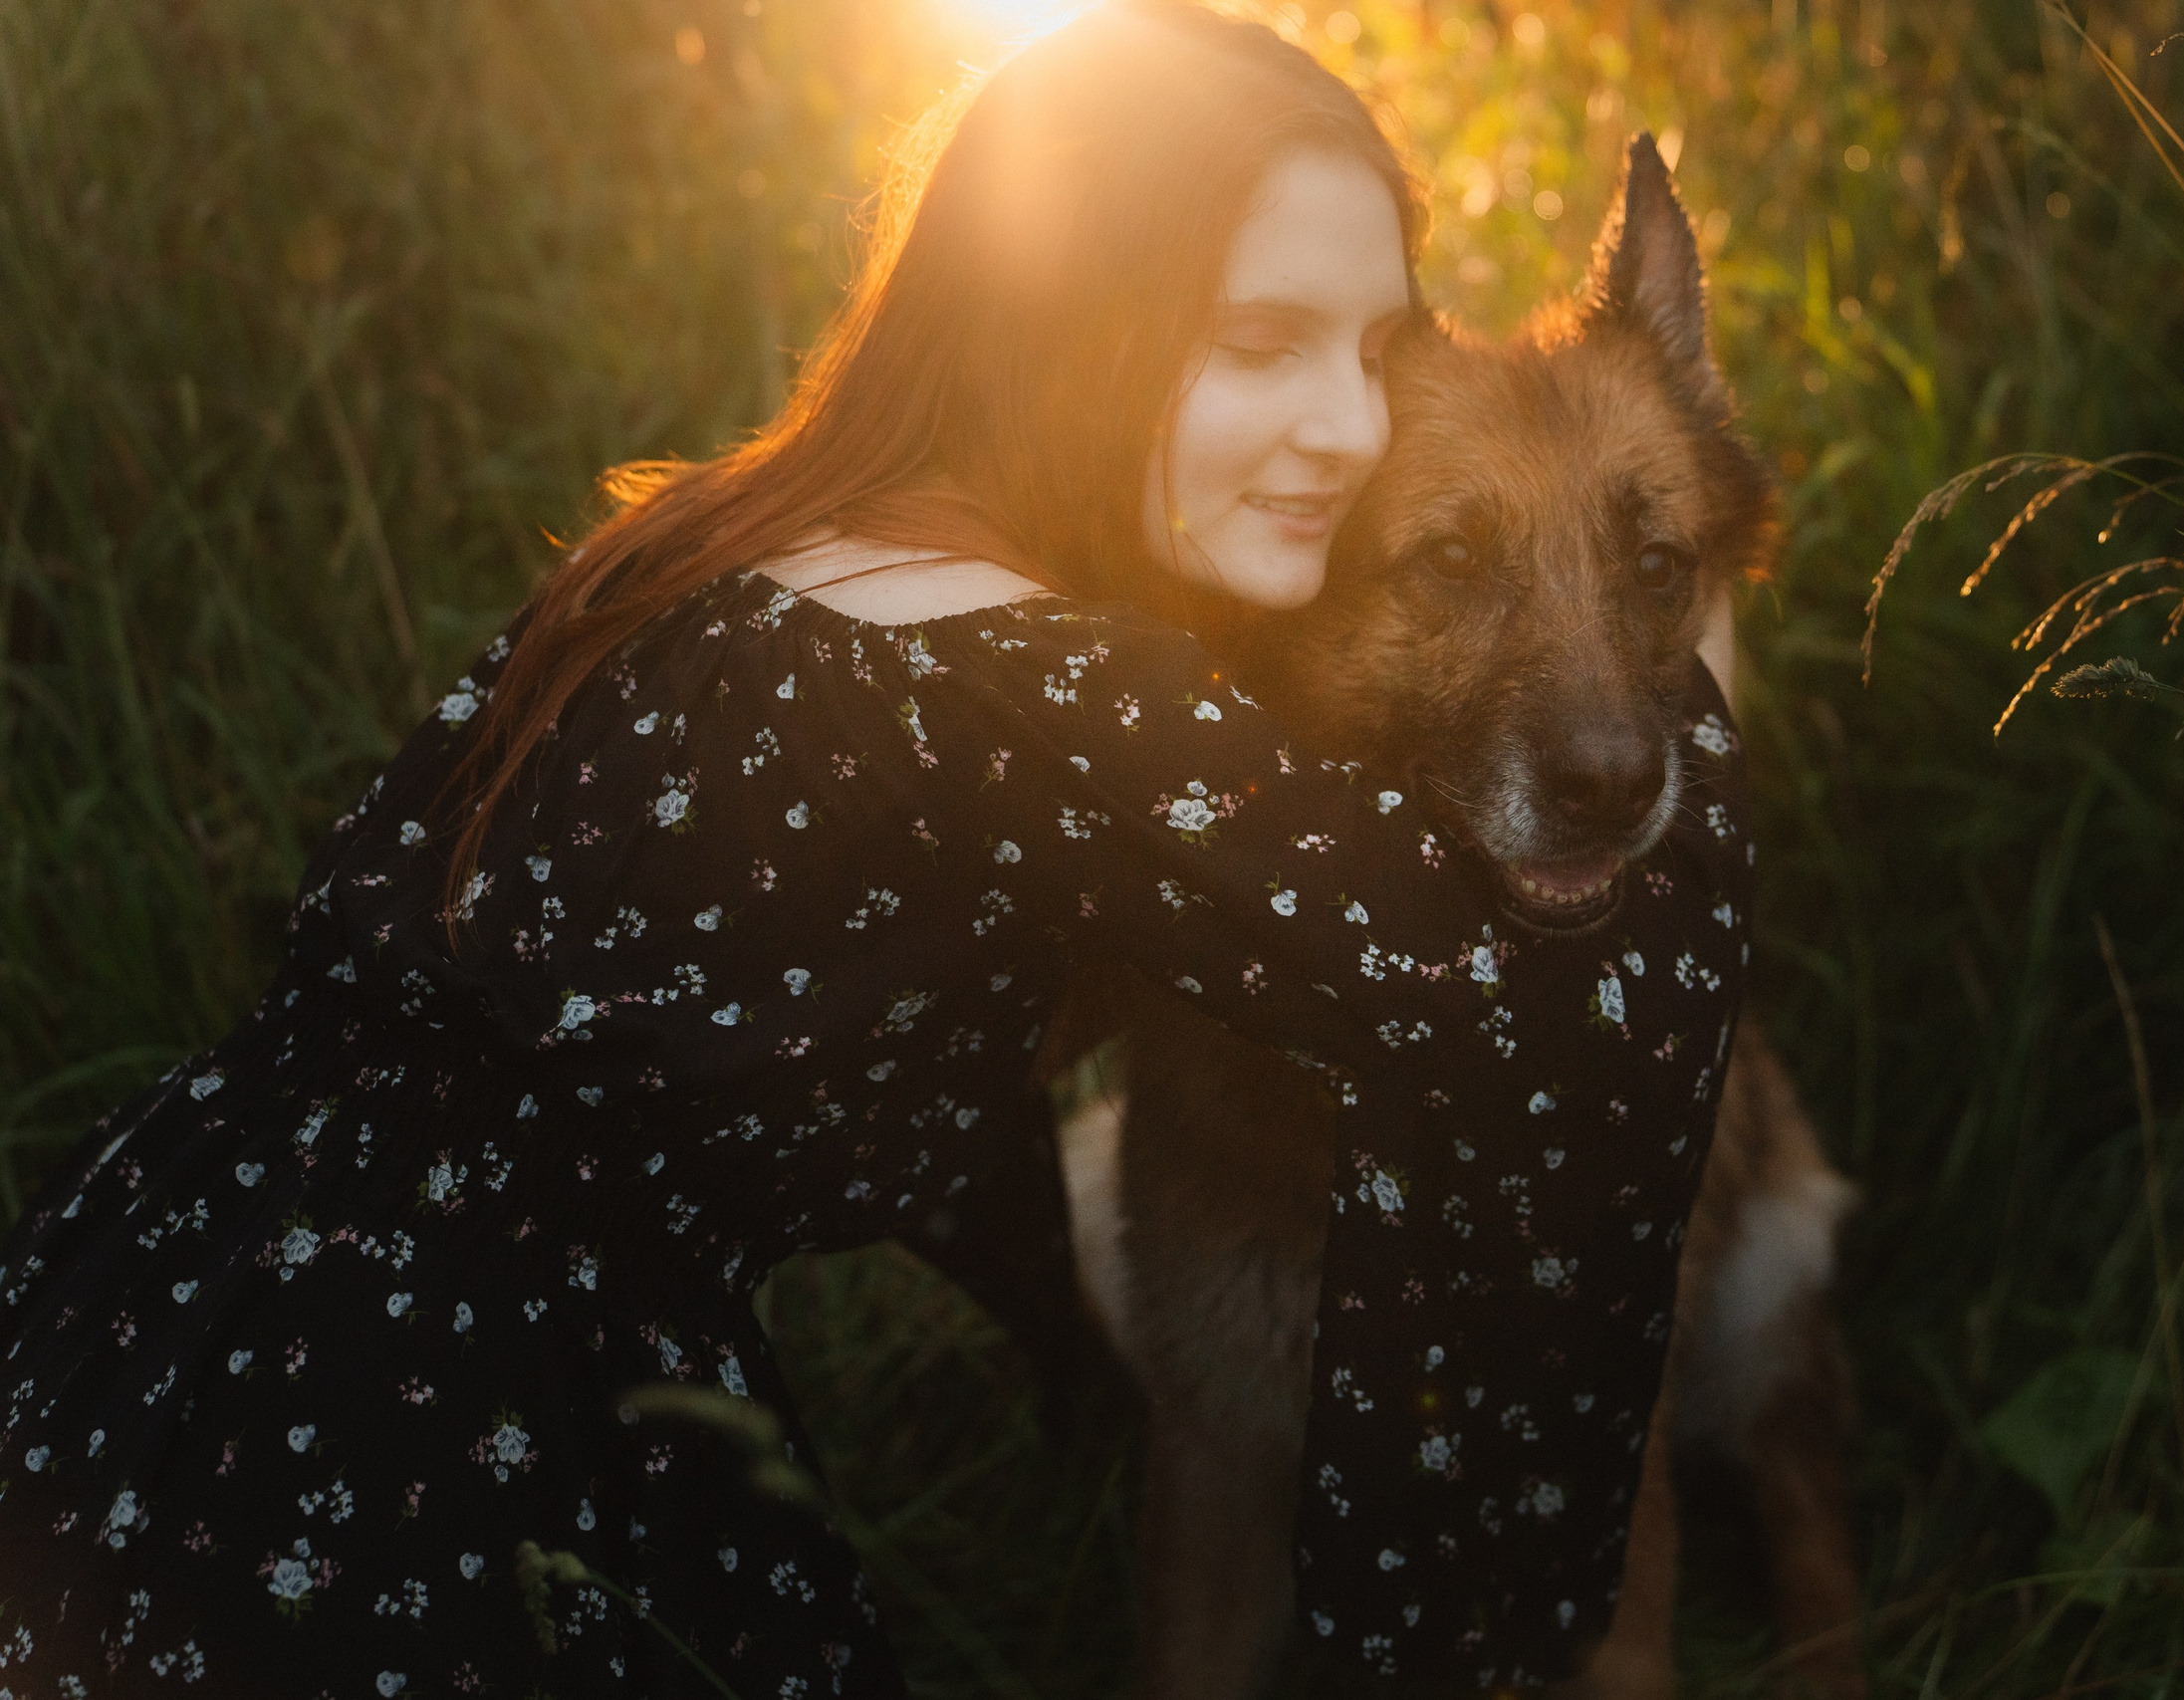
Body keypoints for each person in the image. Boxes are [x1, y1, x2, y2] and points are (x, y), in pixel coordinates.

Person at [0, 3, 1750, 1692]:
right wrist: (1686, 635)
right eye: (1258, 342)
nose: (1350, 431)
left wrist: (1067, 1359)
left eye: (1371, 353)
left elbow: (909, 1054)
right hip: (426, 1440)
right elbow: (1507, 968)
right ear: (1066, 322)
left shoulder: (739, 542)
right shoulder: (1054, 702)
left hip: (158, 1289)